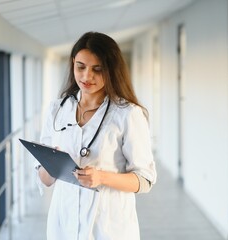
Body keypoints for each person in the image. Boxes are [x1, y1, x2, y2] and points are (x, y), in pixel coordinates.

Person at [36, 31, 157, 240]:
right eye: (80, 67)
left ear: (111, 70)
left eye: (97, 69)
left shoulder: (128, 114)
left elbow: (144, 180)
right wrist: (51, 166)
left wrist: (101, 177)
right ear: (73, 63)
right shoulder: (57, 110)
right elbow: (44, 178)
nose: (86, 76)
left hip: (108, 227)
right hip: (63, 224)